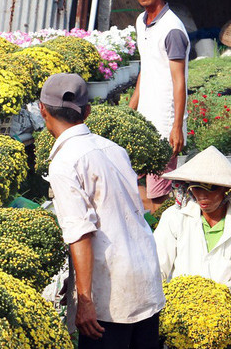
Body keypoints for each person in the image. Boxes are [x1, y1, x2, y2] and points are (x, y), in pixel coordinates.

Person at [39, 72, 165, 349]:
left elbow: (81, 234)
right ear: (87, 111)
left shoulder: (64, 163)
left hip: (110, 293)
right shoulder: (114, 148)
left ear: (41, 109)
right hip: (145, 277)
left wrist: (85, 301)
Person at [127, 0, 190, 213]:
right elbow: (147, 65)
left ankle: (161, 243)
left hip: (164, 122)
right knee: (138, 184)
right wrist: (132, 105)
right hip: (145, 116)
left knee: (159, 194)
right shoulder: (141, 21)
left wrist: (176, 126)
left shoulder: (172, 29)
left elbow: (179, 81)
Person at [154, 145, 231, 301]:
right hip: (179, 307)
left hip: (227, 310)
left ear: (225, 189)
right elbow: (156, 266)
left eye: (210, 188)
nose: (202, 196)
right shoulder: (174, 217)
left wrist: (217, 298)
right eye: (196, 188)